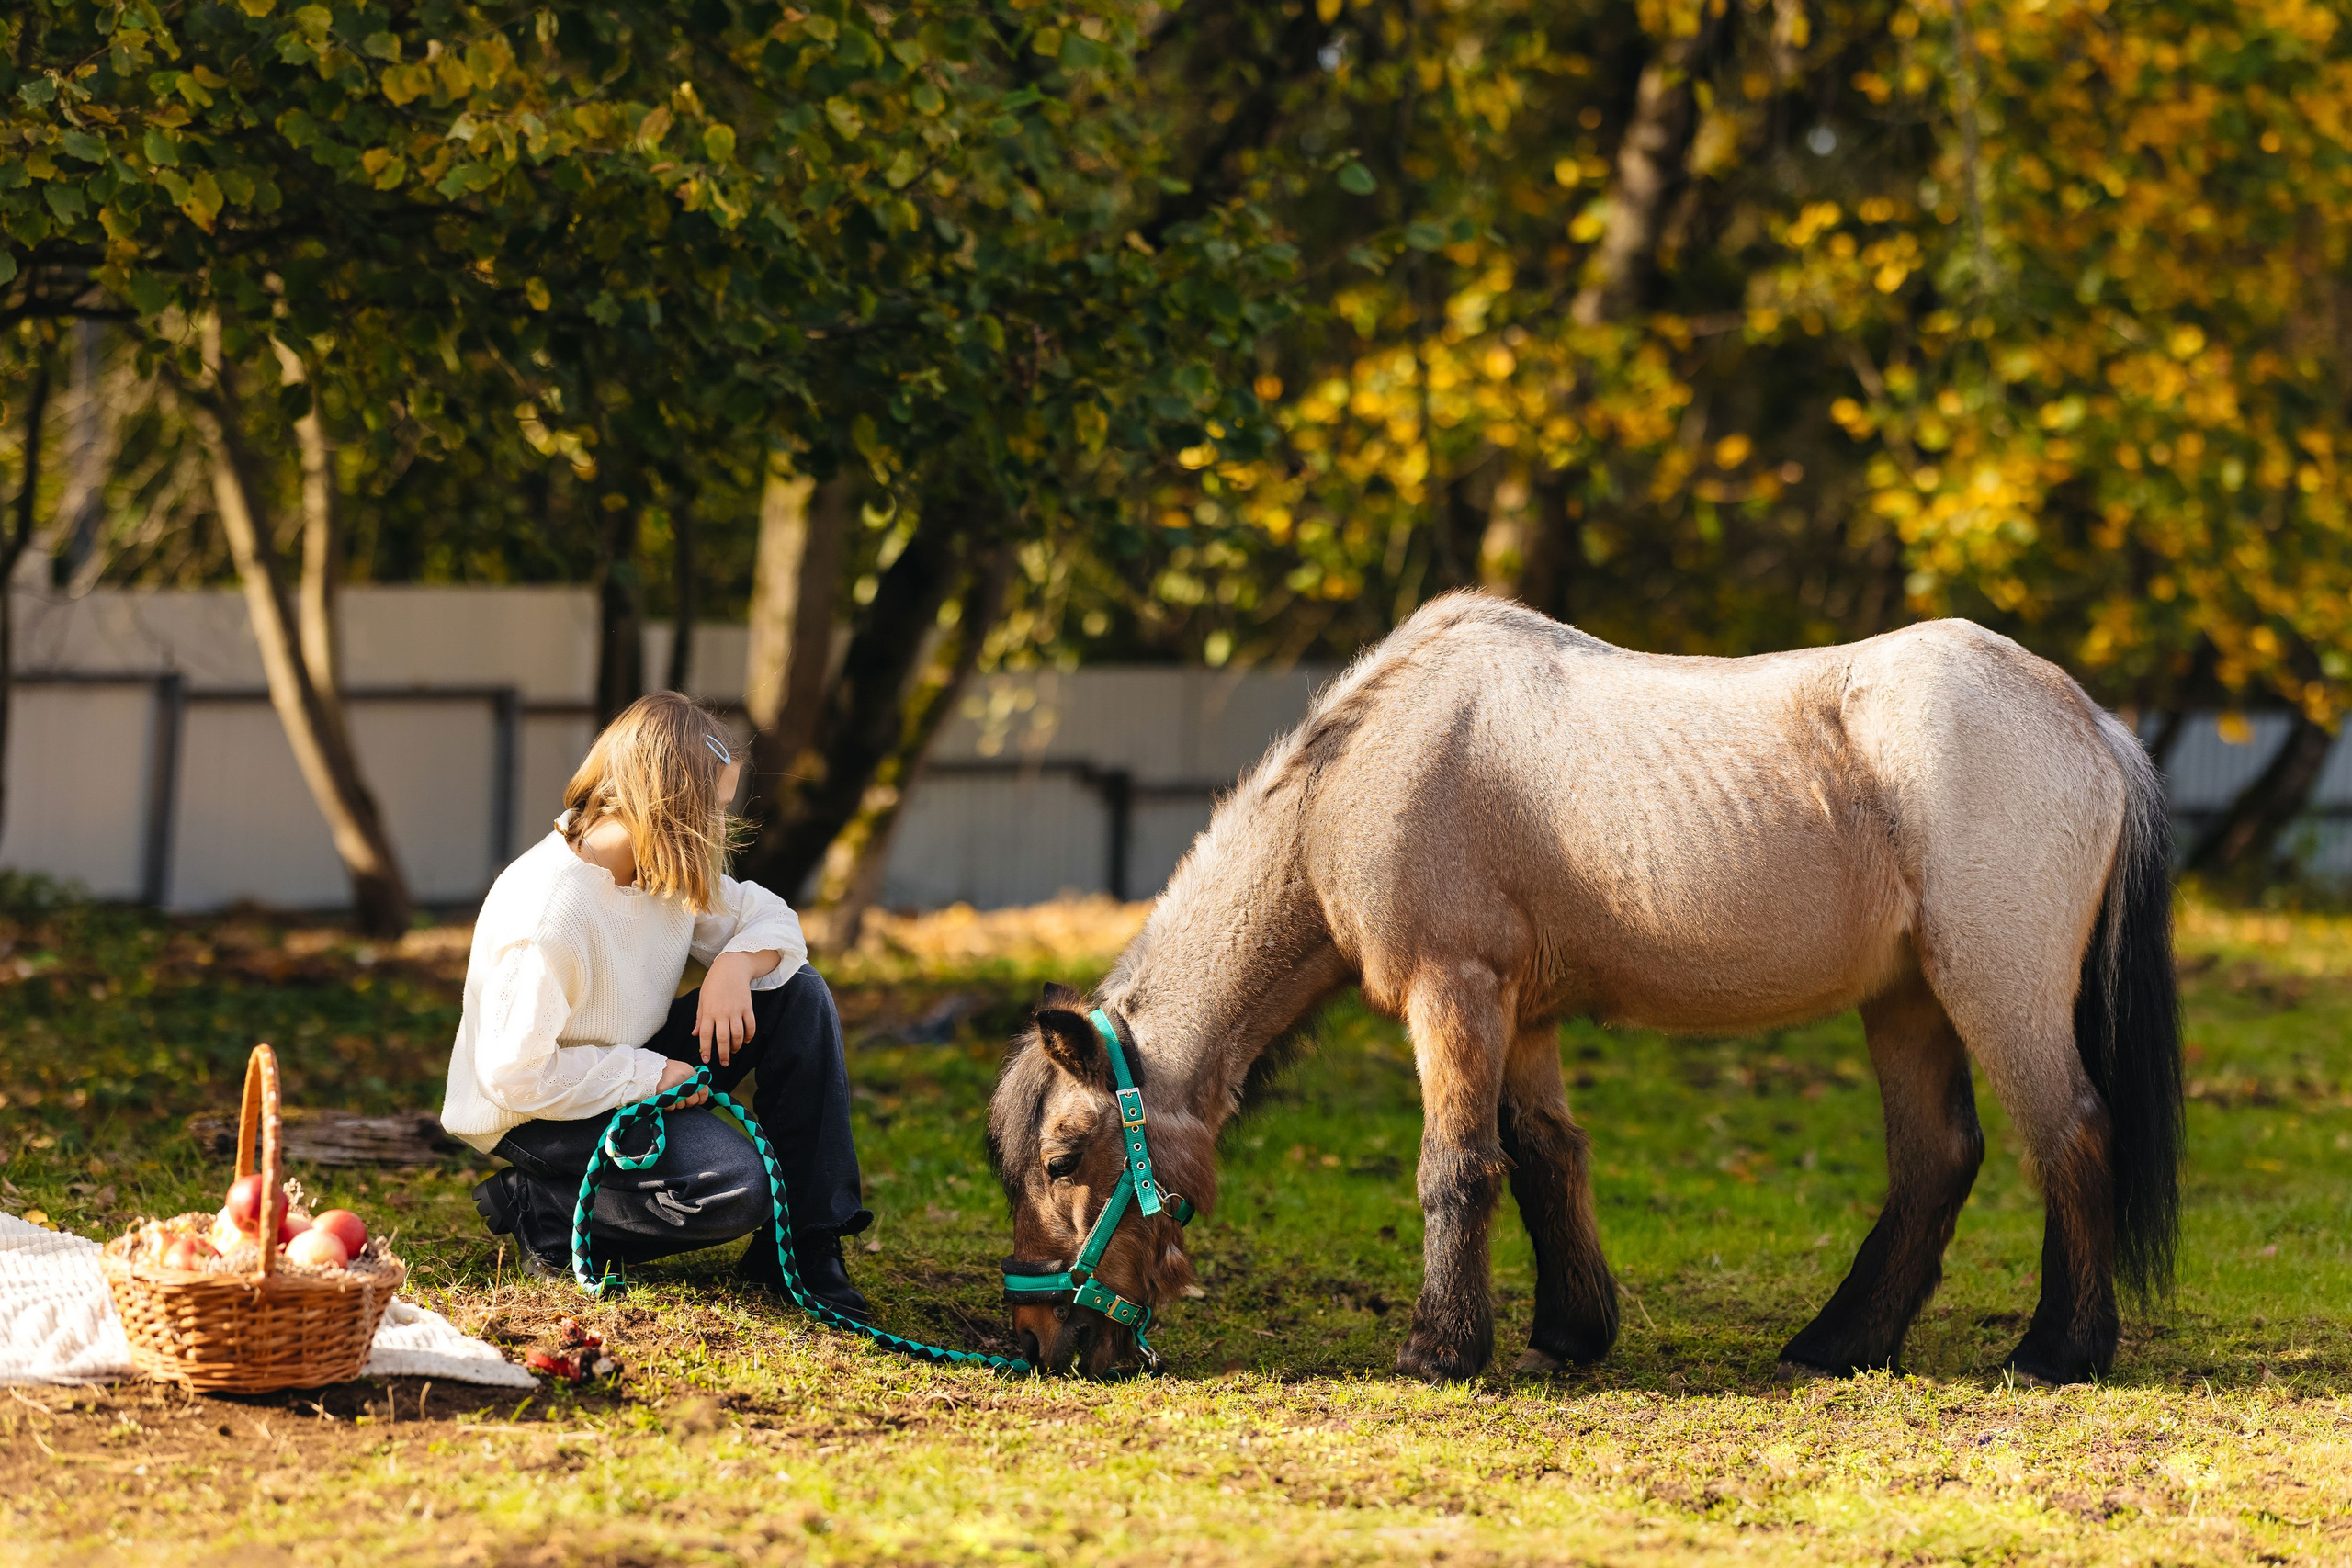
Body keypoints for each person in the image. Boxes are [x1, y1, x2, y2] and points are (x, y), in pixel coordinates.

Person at [439, 691, 872, 1317]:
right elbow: (513, 1075)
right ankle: (548, 1210)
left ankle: (803, 1247)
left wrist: (732, 964)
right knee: (733, 1186)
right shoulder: (550, 912)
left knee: (796, 993)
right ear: (671, 806)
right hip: (540, 1110)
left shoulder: (654, 862)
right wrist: (649, 1075)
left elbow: (773, 923)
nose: (722, 831)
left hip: (625, 1063)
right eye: (715, 812)